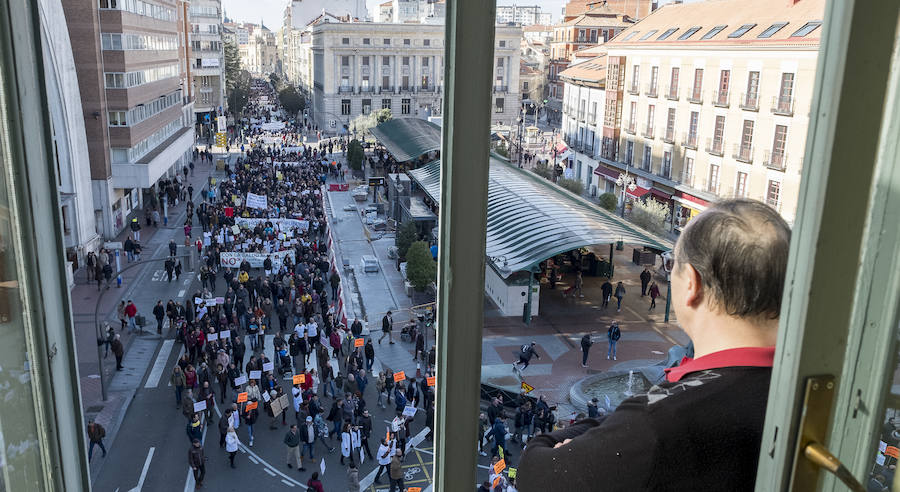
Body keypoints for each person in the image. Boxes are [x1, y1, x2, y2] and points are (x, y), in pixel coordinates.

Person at [517, 199, 791, 490]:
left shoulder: (658, 423)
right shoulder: (798, 386)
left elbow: (534, 472)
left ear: (691, 285)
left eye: (674, 265)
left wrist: (584, 434)